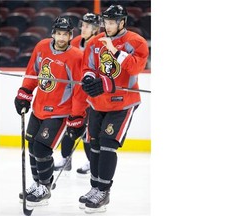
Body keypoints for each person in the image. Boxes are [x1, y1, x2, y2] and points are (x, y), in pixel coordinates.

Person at [78, 4, 149, 213]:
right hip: (98, 102)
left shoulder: (136, 42)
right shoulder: (94, 42)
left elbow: (135, 67)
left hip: (122, 102)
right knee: (94, 144)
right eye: (105, 22)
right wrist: (89, 79)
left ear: (122, 22)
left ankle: (103, 191)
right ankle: (94, 187)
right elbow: (88, 67)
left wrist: (114, 50)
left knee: (108, 143)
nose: (107, 26)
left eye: (111, 22)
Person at [14, 16, 88, 208]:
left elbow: (78, 91)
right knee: (31, 147)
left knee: (42, 149)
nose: (62, 38)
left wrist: (77, 115)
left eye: (66, 34)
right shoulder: (42, 47)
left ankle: (45, 187)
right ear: (53, 33)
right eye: (59, 33)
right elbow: (33, 72)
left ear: (70, 35)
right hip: (39, 107)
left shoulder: (76, 57)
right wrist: (25, 93)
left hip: (60, 112)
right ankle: (37, 183)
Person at [54, 12, 100, 175]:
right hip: (74, 94)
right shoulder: (73, 42)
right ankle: (66, 159)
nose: (83, 28)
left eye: (87, 26)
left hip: (91, 95)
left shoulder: (99, 44)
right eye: (83, 25)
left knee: (89, 131)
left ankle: (90, 161)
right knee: (70, 125)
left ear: (95, 29)